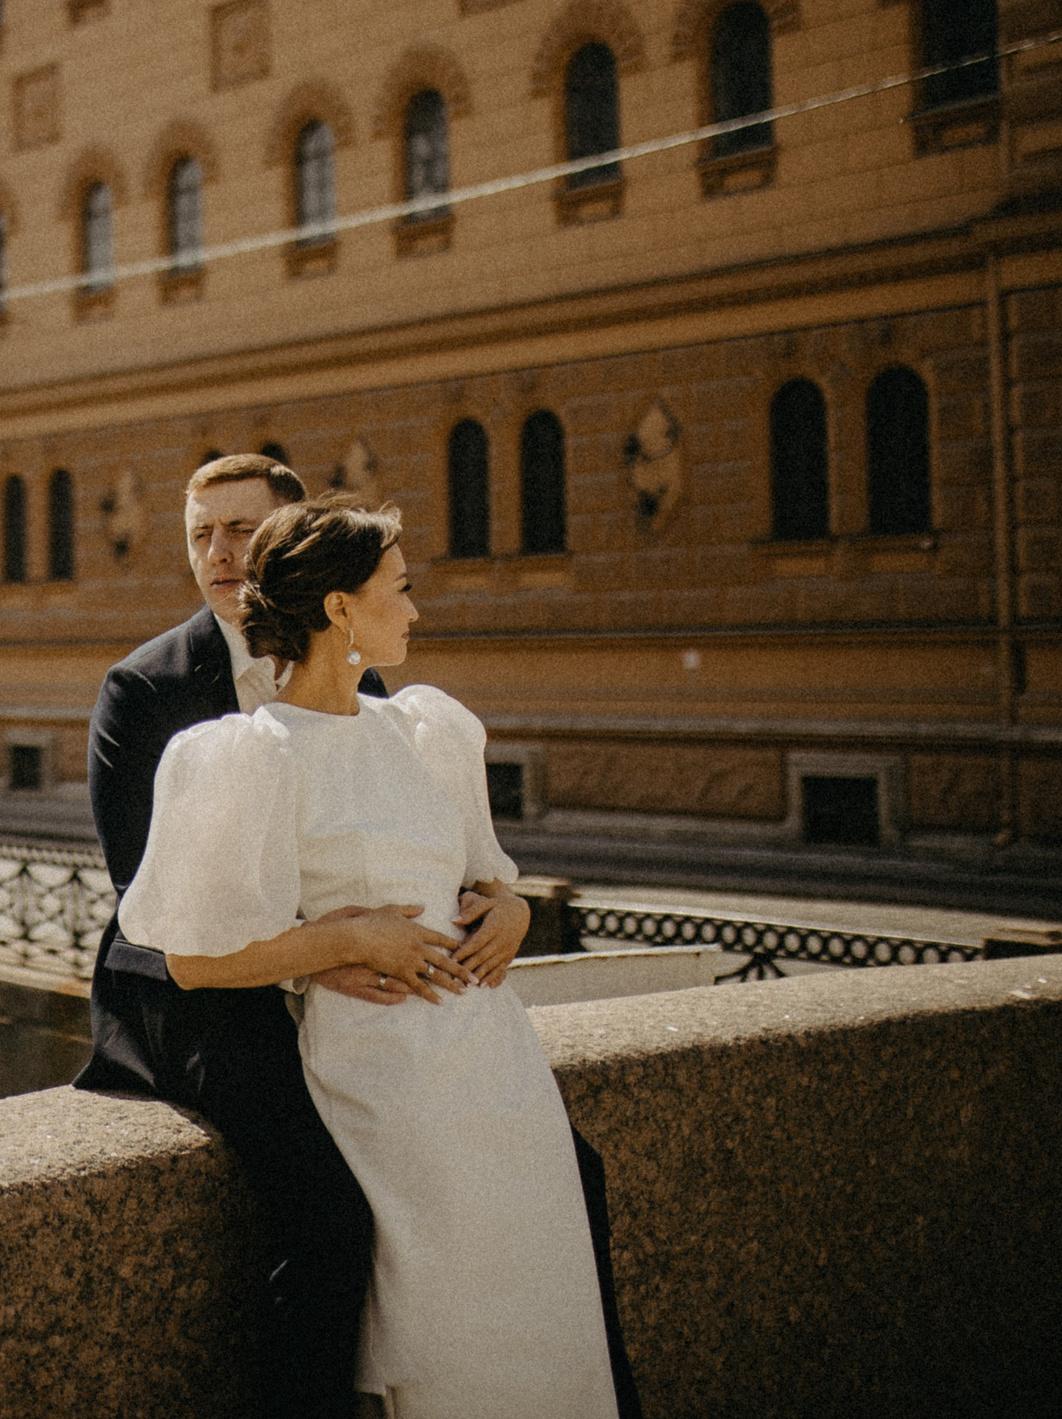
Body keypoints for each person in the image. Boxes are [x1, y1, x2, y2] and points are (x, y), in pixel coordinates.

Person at [76, 457, 638, 1419]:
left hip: (460, 1037)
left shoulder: (421, 724)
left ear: (293, 536)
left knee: (568, 1178)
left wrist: (512, 907)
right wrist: (335, 948)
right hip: (223, 1010)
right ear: (338, 603)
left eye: (242, 532)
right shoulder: (159, 701)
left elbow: (468, 867)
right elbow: (158, 917)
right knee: (334, 1219)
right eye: (201, 531)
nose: (220, 553)